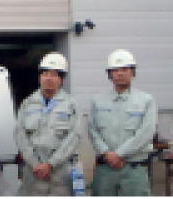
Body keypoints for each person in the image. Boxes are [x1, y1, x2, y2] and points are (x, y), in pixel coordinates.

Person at [88, 49, 157, 196]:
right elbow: (92, 131)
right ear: (109, 74)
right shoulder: (97, 101)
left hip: (134, 169)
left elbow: (146, 133)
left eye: (125, 69)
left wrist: (119, 154)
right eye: (115, 70)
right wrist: (106, 154)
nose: (120, 74)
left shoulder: (146, 100)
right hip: (105, 170)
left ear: (133, 73)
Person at [15, 53, 83, 196]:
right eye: (45, 73)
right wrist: (35, 163)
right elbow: (20, 135)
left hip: (60, 174)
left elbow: (74, 137)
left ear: (62, 79)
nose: (48, 78)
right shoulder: (27, 104)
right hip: (33, 174)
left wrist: (51, 164)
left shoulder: (71, 105)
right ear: (40, 77)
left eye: (54, 74)